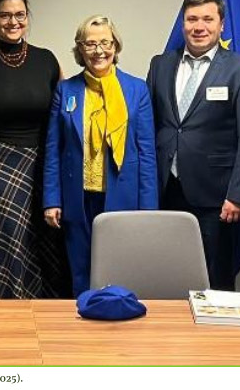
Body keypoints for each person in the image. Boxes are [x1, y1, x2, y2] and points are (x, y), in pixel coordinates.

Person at [146, 0, 240, 291]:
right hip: (165, 189)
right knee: (168, 272)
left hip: (217, 196)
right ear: (183, 23)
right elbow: (152, 126)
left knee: (215, 277)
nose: (199, 26)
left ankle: (216, 337)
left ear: (221, 24)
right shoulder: (160, 64)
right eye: (192, 19)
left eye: (207, 19)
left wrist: (237, 195)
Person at [0, 0, 68, 299]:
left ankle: (37, 311)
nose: (13, 21)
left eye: (19, 14)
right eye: (5, 15)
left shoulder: (47, 60)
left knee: (38, 241)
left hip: (39, 165)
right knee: (4, 239)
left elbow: (59, 118)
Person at [43, 15, 158, 297]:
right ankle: (82, 326)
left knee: (120, 268)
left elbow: (146, 152)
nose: (99, 51)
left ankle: (118, 329)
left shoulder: (136, 89)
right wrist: (52, 199)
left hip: (123, 195)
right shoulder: (66, 89)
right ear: (80, 50)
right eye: (90, 44)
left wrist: (149, 208)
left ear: (116, 46)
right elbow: (53, 149)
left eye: (105, 42)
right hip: (78, 196)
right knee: (80, 269)